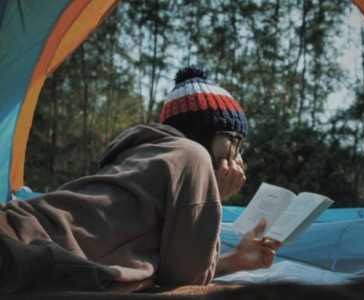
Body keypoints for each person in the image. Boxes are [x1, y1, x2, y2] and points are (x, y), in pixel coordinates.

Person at [0, 65, 282, 294]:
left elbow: (170, 266)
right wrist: (214, 199)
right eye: (236, 142)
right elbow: (186, 280)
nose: (239, 158)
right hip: (17, 249)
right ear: (206, 133)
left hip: (16, 232)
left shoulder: (146, 154)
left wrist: (235, 261)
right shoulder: (192, 155)